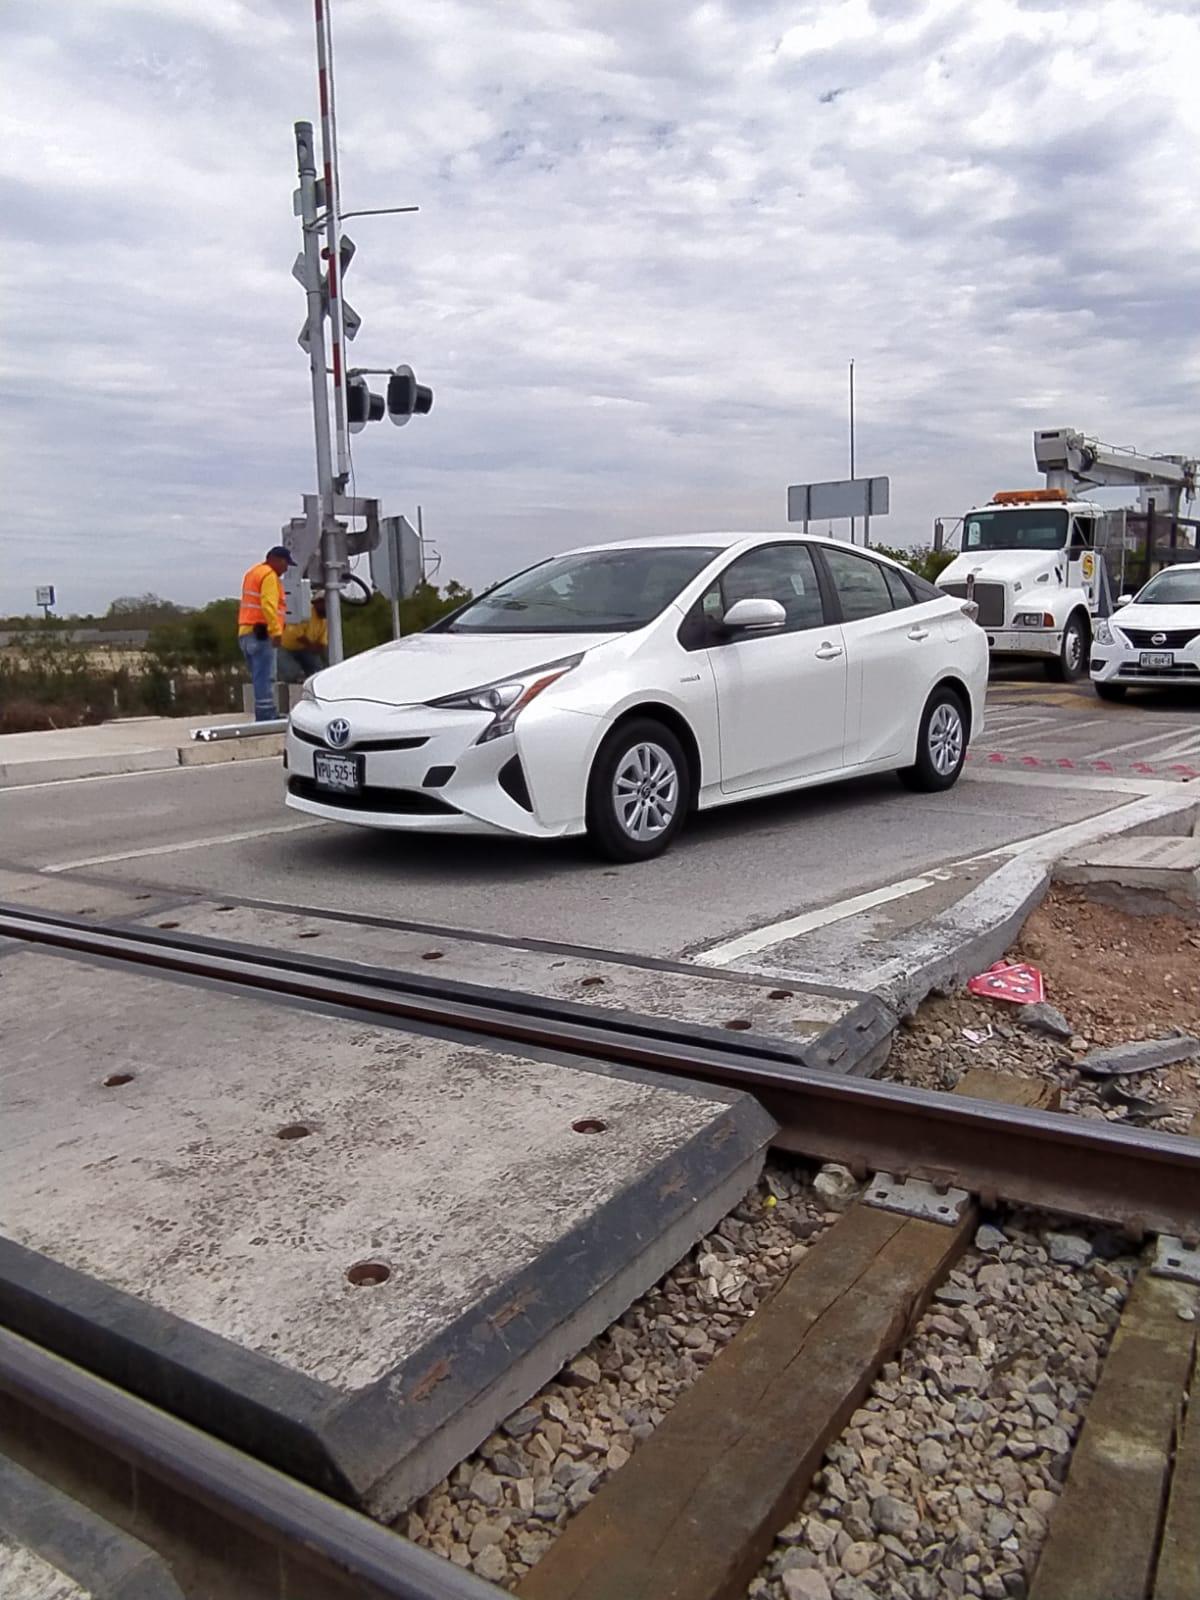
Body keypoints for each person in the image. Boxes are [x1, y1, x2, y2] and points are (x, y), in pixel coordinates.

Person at [237, 546, 294, 720]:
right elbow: (268, 604)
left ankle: (264, 711)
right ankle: (266, 714)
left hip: (246, 633)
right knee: (266, 676)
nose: (286, 569)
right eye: (285, 564)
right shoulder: (269, 575)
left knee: (258, 676)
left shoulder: (253, 573)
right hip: (261, 633)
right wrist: (276, 631)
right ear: (277, 560)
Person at [278, 589, 329, 683]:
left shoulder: (324, 620)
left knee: (318, 673)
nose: (328, 607)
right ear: (317, 603)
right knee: (291, 674)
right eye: (325, 603)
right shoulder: (306, 611)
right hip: (285, 647)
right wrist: (312, 646)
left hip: (305, 649)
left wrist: (319, 649)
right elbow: (294, 633)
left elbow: (322, 642)